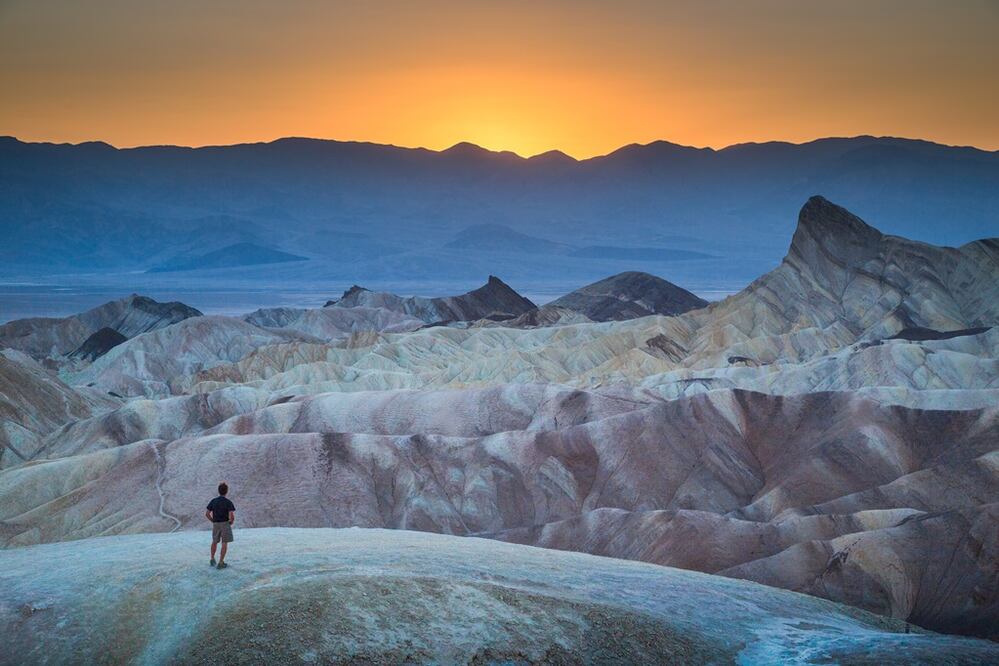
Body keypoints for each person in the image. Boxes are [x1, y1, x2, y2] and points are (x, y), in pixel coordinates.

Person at [206, 482, 235, 569]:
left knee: (214, 541)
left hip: (216, 524)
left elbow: (207, 513)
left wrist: (213, 520)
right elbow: (231, 516)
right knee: (224, 542)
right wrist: (231, 522)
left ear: (219, 491)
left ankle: (212, 559)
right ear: (226, 491)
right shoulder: (228, 502)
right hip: (225, 523)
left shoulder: (213, 501)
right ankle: (221, 562)